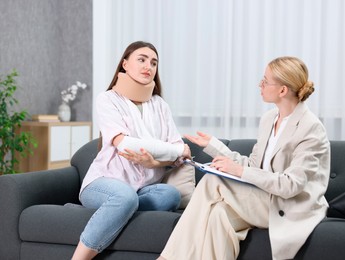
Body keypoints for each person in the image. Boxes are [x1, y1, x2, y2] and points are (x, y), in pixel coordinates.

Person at [158, 56, 330, 260]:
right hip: (265, 197)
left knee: (212, 181)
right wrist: (213, 145)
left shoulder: (311, 128)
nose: (260, 84)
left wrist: (238, 171)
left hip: (289, 205)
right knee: (219, 215)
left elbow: (290, 185)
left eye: (265, 81)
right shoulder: (269, 120)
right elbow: (253, 166)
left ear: (282, 90)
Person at [72, 41, 191, 260]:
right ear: (125, 64)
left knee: (171, 195)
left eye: (154, 63)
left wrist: (155, 163)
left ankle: (118, 210)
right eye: (142, 60)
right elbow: (125, 144)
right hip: (102, 183)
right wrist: (174, 150)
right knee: (124, 197)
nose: (149, 66)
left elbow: (182, 155)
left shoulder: (159, 105)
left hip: (141, 189)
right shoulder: (108, 99)